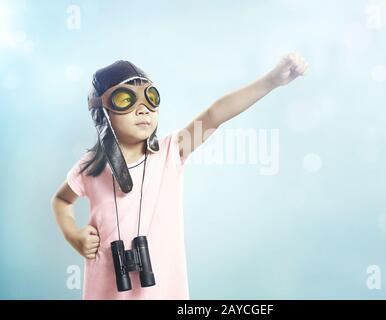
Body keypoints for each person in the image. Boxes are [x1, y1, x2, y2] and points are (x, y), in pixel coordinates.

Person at [51, 53, 309, 299]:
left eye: (150, 97)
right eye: (125, 99)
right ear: (102, 113)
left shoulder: (170, 152)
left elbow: (214, 115)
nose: (143, 109)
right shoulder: (91, 167)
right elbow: (61, 201)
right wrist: (73, 234)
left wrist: (272, 80)